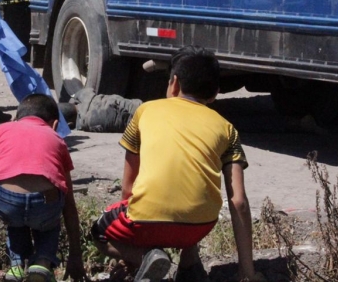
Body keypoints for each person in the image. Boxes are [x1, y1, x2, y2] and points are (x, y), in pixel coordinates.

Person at [91, 46, 262, 282]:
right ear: (215, 94)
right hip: (200, 223)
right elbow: (239, 202)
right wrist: (248, 274)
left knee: (98, 232)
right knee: (192, 198)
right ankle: (189, 263)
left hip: (144, 218)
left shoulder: (144, 111)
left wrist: (132, 254)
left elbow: (128, 188)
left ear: (174, 83)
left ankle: (146, 257)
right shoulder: (227, 128)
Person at [0, 94, 85, 282]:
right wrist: (75, 253)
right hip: (44, 203)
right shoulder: (57, 139)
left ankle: (17, 267)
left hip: (6, 201)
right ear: (54, 124)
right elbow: (69, 201)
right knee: (51, 214)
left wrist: (4, 168)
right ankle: (42, 262)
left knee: (15, 218)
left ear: (16, 119)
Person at [60, 87, 142, 133]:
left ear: (69, 124)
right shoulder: (85, 95)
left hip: (143, 114)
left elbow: (129, 123)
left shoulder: (91, 120)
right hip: (139, 105)